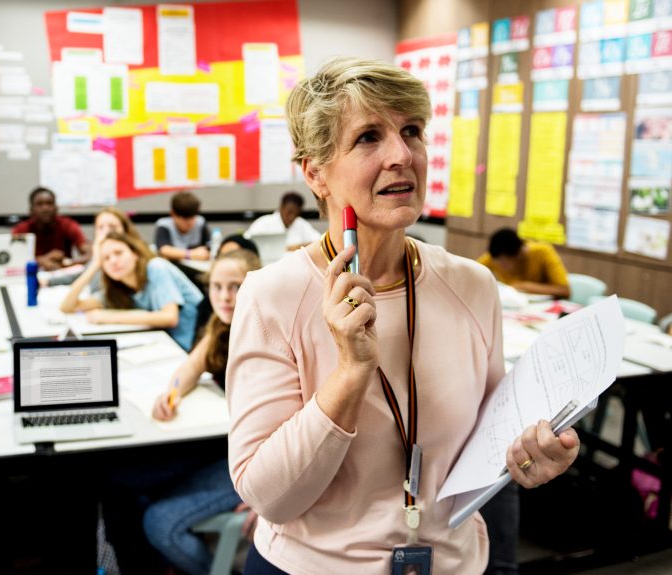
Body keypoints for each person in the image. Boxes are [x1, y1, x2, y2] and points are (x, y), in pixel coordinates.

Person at [226, 57, 579, 574]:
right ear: (315, 173)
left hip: (453, 563)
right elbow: (269, 498)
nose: (402, 155)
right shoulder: (271, 296)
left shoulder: (472, 284)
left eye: (412, 131)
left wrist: (532, 451)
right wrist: (350, 374)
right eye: (368, 137)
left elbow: (494, 435)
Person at [144, 249, 260, 575]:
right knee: (131, 484)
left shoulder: (267, 331)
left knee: (159, 522)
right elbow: (190, 368)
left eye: (235, 287)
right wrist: (171, 393)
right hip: (226, 448)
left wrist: (269, 500)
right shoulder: (220, 327)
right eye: (217, 286)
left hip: (255, 464)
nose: (224, 296)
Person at [59, 231, 202, 351]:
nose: (113, 261)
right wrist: (94, 264)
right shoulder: (119, 289)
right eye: (106, 258)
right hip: (166, 346)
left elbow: (170, 318)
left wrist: (109, 316)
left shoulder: (156, 268)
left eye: (118, 253)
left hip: (193, 346)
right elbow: (68, 307)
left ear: (135, 254)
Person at [43, 207, 151, 288]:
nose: (106, 232)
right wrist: (49, 282)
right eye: (100, 227)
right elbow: (83, 274)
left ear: (125, 230)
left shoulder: (134, 256)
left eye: (112, 227)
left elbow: (101, 291)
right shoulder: (101, 254)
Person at [12, 187, 91, 271]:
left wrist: (66, 263)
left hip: (62, 275)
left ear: (56, 208)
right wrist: (43, 260)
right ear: (31, 210)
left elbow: (89, 254)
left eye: (49, 203)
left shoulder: (67, 225)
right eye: (39, 204)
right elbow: (12, 260)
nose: (45, 209)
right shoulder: (21, 230)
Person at [477, 228, 570, 299]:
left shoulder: (543, 252)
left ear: (519, 255)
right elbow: (472, 272)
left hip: (543, 305)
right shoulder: (496, 256)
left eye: (505, 264)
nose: (500, 266)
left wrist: (523, 286)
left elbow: (564, 290)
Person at [244, 191, 321, 250]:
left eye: (296, 214)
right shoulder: (264, 223)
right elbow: (245, 241)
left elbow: (319, 241)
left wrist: (298, 246)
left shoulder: (301, 224)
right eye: (289, 212)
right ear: (281, 207)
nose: (291, 217)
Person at [154, 191, 211, 261]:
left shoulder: (200, 222)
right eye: (185, 219)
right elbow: (163, 249)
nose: (189, 223)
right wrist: (190, 254)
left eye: (192, 217)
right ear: (173, 214)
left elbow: (209, 246)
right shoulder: (164, 225)